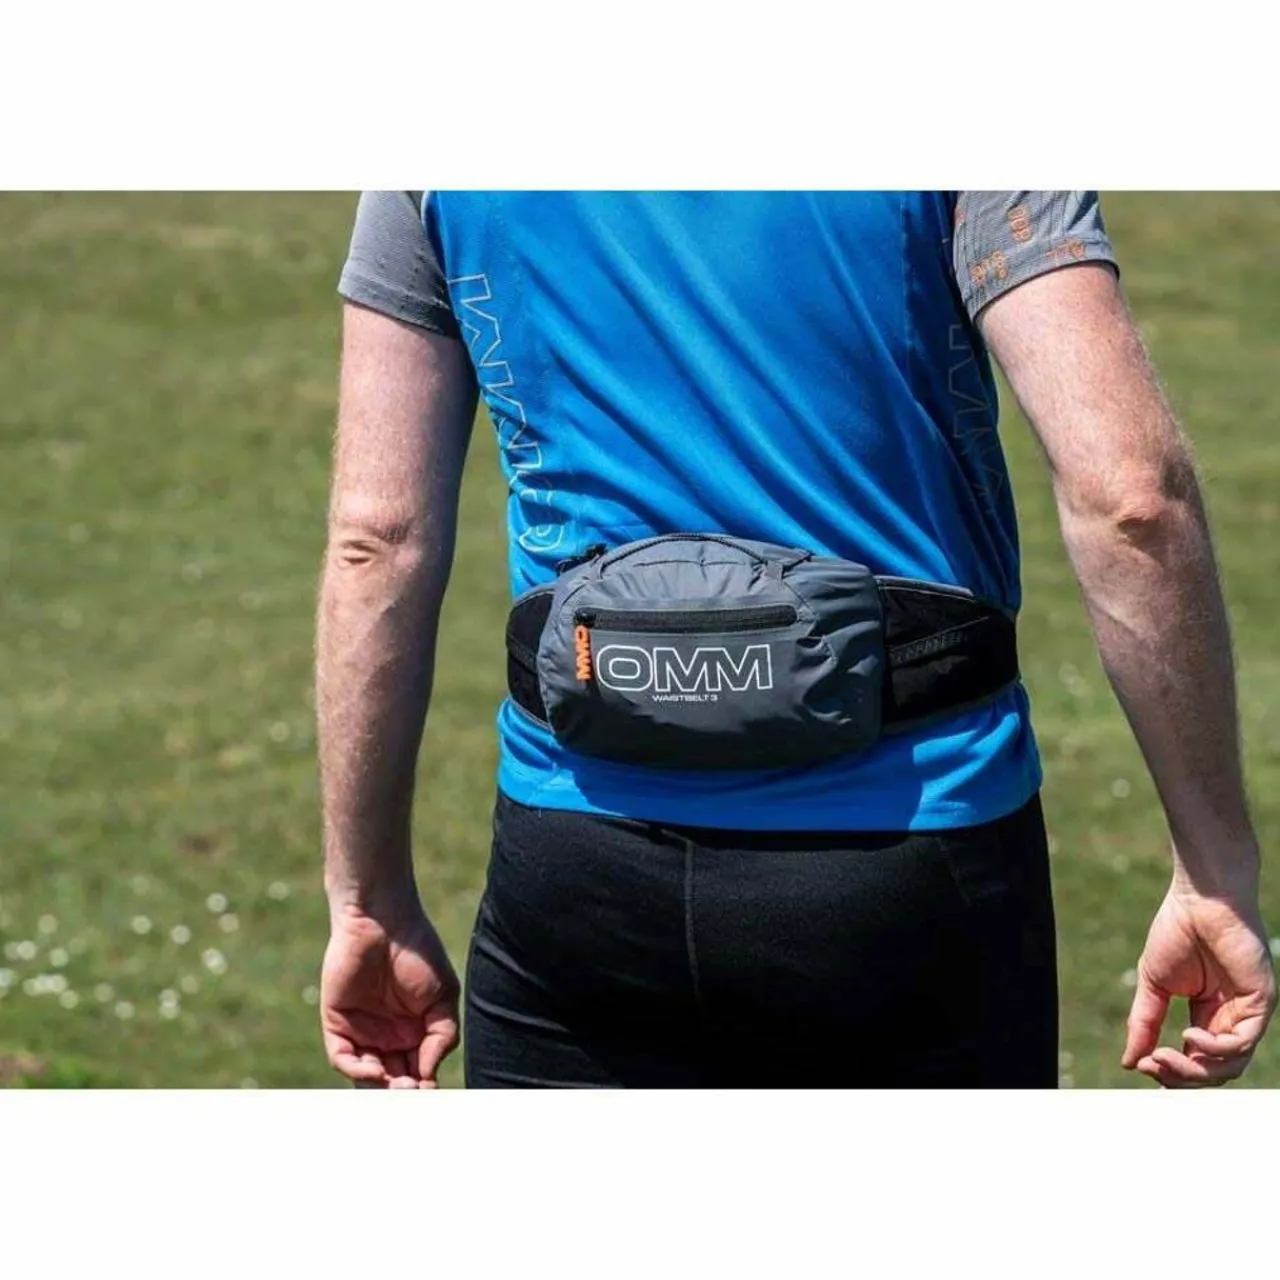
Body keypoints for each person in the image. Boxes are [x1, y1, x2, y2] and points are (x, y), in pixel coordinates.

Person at [316, 192, 1275, 1089]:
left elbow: (378, 540)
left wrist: (365, 899)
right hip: (909, 856)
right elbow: (1130, 500)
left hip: (575, 866)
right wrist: (1215, 872)